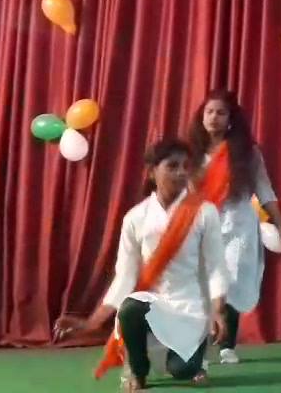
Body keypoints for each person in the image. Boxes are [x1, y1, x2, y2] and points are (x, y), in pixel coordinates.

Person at [54, 139, 228, 390]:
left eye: (185, 166)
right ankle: (138, 370)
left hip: (190, 307)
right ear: (152, 172)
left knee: (182, 370)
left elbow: (217, 266)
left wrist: (217, 310)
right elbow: (124, 276)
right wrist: (92, 322)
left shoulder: (204, 211)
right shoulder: (136, 217)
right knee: (130, 308)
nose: (181, 172)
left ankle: (195, 360)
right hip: (154, 305)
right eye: (172, 166)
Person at [187, 90, 281, 364]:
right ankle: (198, 347)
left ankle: (227, 345)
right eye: (209, 112)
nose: (214, 117)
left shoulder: (247, 153)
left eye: (221, 113)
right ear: (201, 116)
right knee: (202, 284)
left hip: (239, 226)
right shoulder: (190, 153)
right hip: (203, 225)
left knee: (231, 282)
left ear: (230, 119)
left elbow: (265, 190)